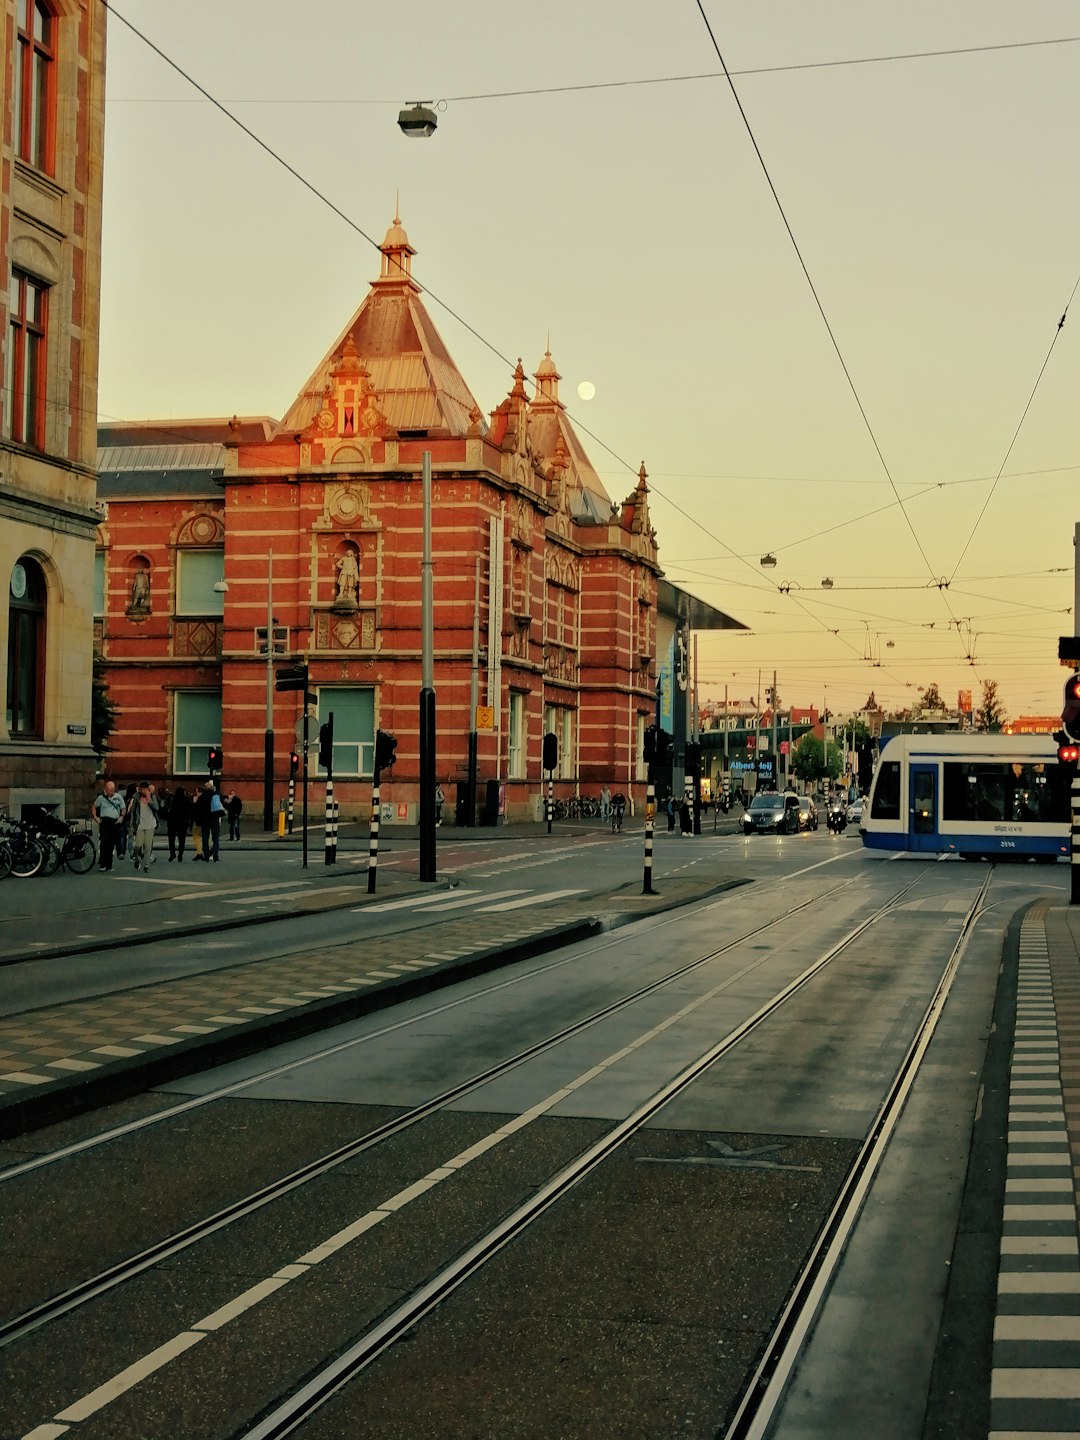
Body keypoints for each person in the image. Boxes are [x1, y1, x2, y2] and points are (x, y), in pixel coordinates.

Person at [91, 780, 126, 871]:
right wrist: (96, 817)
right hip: (104, 821)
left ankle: (109, 865)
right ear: (106, 789)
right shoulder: (101, 798)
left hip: (114, 822)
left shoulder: (118, 797)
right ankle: (103, 864)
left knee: (111, 843)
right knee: (104, 841)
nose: (110, 792)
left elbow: (123, 808)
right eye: (109, 790)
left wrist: (122, 816)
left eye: (112, 790)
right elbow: (94, 806)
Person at [130, 781, 160, 872]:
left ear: (148, 789)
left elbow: (156, 807)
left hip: (150, 824)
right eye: (141, 789)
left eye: (145, 789)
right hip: (140, 824)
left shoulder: (152, 797)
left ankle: (146, 865)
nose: (143, 791)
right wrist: (132, 824)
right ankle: (137, 858)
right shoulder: (136, 798)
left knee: (148, 846)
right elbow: (133, 812)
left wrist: (149, 799)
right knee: (138, 845)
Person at [167, 785, 192, 861]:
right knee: (182, 839)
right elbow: (189, 811)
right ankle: (180, 855)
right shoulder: (186, 800)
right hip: (183, 822)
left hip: (172, 821)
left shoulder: (173, 799)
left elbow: (168, 810)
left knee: (171, 839)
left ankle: (172, 853)